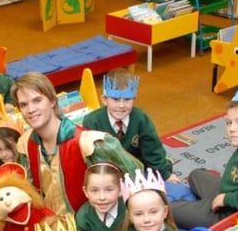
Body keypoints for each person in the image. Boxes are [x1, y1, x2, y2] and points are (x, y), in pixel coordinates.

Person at [11, 72, 141, 215]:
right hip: (48, 229)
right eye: (23, 105)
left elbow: (136, 176)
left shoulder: (89, 143)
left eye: (37, 100)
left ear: (52, 101)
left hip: (90, 230)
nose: (30, 110)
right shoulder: (25, 144)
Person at [170, 83, 238, 229]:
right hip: (232, 191)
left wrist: (226, 199)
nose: (232, 129)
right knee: (196, 175)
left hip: (235, 213)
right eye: (229, 122)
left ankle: (209, 205)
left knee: (168, 211)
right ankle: (211, 200)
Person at [81, 69, 178, 183]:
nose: (121, 105)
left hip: (138, 167)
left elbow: (152, 150)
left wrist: (165, 175)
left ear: (134, 99)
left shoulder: (140, 118)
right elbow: (91, 158)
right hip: (108, 171)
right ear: (104, 100)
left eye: (127, 99)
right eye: (116, 99)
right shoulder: (92, 121)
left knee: (161, 173)